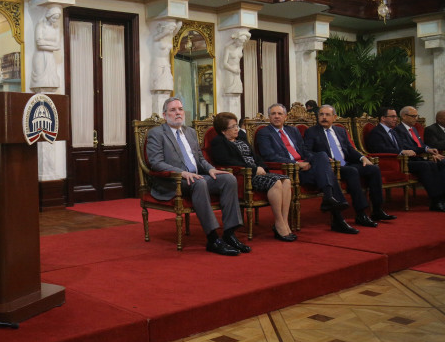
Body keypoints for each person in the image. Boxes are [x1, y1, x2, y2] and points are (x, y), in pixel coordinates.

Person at [146, 97, 248, 256]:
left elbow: (200, 159)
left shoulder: (190, 132)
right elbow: (156, 163)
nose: (178, 113)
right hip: (172, 181)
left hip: (196, 177)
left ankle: (229, 234)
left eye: (180, 109)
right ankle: (213, 239)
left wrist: (211, 169)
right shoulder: (156, 133)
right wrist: (182, 173)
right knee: (199, 183)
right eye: (173, 110)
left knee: (228, 179)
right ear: (165, 115)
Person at [256, 103, 357, 234]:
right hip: (290, 171)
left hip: (306, 166)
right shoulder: (264, 133)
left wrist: (315, 160)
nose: (276, 116)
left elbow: (304, 151)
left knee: (322, 156)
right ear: (269, 117)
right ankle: (337, 216)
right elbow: (269, 156)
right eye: (273, 114)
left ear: (285, 117)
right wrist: (296, 164)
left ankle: (329, 200)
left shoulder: (293, 131)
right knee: (328, 174)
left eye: (280, 114)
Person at [303, 105, 396, 228]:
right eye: (321, 114)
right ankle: (361, 213)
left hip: (346, 163)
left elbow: (350, 150)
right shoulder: (312, 131)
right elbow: (307, 152)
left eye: (327, 115)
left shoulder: (340, 131)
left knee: (373, 169)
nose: (324, 117)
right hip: (331, 167)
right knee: (352, 171)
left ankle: (377, 210)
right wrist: (323, 159)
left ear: (334, 117)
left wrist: (362, 158)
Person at [210, 112, 295, 241]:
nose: (236, 129)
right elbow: (227, 162)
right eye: (232, 127)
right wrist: (254, 169)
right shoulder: (218, 142)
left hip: (258, 171)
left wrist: (262, 167)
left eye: (236, 125)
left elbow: (254, 156)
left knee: (286, 181)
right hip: (245, 176)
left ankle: (284, 222)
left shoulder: (241, 137)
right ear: (223, 131)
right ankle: (279, 223)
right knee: (276, 182)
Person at [365, 107, 445, 212]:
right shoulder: (376, 132)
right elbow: (380, 149)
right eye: (392, 116)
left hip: (404, 160)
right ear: (383, 118)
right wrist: (401, 152)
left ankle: (440, 198)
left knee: (434, 163)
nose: (395, 119)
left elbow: (405, 146)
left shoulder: (393, 131)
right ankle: (436, 200)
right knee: (425, 165)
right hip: (393, 163)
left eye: (396, 116)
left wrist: (426, 149)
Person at [393, 106, 445, 212]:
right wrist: (425, 150)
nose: (416, 118)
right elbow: (406, 147)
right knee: (428, 165)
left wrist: (429, 150)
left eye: (417, 116)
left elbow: (421, 145)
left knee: (441, 162)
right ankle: (436, 200)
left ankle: (442, 197)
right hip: (406, 161)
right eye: (413, 116)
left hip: (417, 158)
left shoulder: (414, 129)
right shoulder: (398, 130)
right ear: (404, 116)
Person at [30, 4, 63, 89]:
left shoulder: (56, 29)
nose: (55, 20)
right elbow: (39, 44)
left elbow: (58, 46)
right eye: (54, 18)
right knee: (40, 80)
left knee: (52, 81)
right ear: (49, 16)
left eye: (57, 18)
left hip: (50, 57)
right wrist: (52, 45)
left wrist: (45, 43)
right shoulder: (40, 26)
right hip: (40, 56)